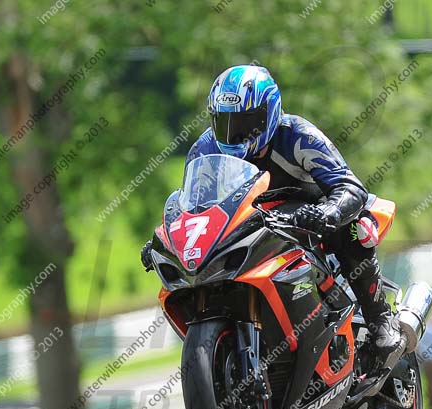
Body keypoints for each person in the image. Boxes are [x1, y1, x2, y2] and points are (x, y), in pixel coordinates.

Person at [141, 64, 401, 376]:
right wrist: (168, 242)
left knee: (356, 229)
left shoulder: (298, 136)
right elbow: (193, 207)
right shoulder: (204, 150)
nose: (234, 132)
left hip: (311, 214)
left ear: (269, 113)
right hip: (252, 224)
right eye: (225, 122)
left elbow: (349, 187)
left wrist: (329, 212)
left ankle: (380, 319)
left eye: (246, 122)